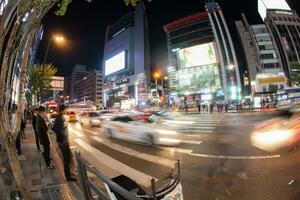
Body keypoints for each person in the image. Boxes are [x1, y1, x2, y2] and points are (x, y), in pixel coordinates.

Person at [54, 104, 77, 181]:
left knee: (69, 157)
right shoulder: (59, 118)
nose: (66, 111)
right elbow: (57, 130)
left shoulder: (60, 117)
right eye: (65, 110)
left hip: (63, 141)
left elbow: (56, 128)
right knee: (67, 159)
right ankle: (68, 176)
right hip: (63, 142)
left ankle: (70, 173)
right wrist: (63, 140)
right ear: (62, 110)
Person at [36, 106, 54, 171]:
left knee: (46, 151)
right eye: (45, 112)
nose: (46, 113)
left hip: (42, 138)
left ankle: (48, 160)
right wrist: (46, 120)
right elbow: (46, 129)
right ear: (42, 112)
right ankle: (48, 166)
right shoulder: (40, 119)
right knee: (47, 152)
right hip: (44, 139)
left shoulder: (39, 118)